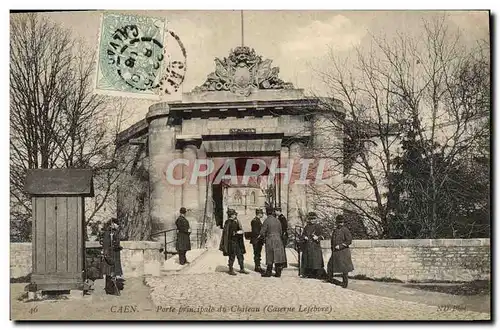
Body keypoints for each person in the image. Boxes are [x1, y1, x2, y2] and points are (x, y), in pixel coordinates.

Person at [258, 207, 287, 278]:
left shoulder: (266, 221)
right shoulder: (277, 220)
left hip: (270, 239)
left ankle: (268, 272)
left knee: (270, 255)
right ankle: (278, 272)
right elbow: (280, 231)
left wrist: (264, 236)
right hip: (278, 239)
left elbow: (262, 232)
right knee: (277, 255)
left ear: (267, 213)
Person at [219, 208, 249, 275]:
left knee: (240, 255)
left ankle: (242, 268)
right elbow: (228, 234)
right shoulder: (228, 222)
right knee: (232, 256)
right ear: (231, 215)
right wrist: (236, 232)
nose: (235, 215)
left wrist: (239, 232)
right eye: (234, 214)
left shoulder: (236, 221)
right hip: (231, 242)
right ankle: (230, 269)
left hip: (237, 242)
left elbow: (238, 230)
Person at [327, 215, 354, 288]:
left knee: (344, 268)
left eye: (341, 222)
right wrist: (332, 248)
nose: (340, 224)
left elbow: (349, 241)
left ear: (343, 222)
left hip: (344, 252)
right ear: (336, 222)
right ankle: (330, 279)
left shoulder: (345, 230)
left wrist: (341, 246)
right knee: (330, 265)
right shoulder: (335, 230)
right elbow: (332, 240)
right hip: (335, 252)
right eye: (339, 222)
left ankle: (345, 283)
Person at [100, 218, 124, 295]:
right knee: (110, 272)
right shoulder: (108, 233)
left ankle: (111, 288)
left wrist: (118, 247)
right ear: (112, 224)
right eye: (116, 224)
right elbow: (106, 245)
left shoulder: (115, 232)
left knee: (112, 272)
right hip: (110, 254)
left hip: (115, 254)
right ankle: (109, 290)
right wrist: (107, 255)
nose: (118, 226)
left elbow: (115, 243)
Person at [299, 212, 325, 278]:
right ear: (309, 219)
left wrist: (317, 238)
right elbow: (302, 235)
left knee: (316, 261)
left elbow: (323, 236)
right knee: (308, 261)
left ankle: (317, 274)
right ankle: (309, 274)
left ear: (316, 219)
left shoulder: (318, 226)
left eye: (313, 219)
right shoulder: (306, 227)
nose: (312, 220)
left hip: (315, 246)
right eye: (311, 219)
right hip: (308, 246)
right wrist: (304, 237)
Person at [250, 208, 265, 272]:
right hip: (256, 240)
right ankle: (257, 267)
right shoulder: (255, 221)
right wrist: (261, 235)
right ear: (259, 214)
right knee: (257, 254)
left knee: (258, 254)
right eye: (262, 213)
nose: (263, 215)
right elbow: (256, 232)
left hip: (257, 240)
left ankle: (258, 266)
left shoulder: (257, 220)